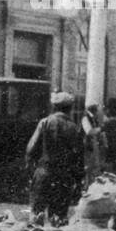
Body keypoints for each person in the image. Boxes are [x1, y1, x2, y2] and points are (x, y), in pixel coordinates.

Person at [25, 91, 84, 221]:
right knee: (59, 220)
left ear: (54, 107)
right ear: (70, 108)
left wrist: (32, 172)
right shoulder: (74, 128)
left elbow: (31, 149)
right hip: (64, 178)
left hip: (43, 173)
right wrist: (78, 181)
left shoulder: (44, 123)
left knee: (36, 218)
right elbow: (79, 157)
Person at [81, 103, 105, 184]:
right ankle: (86, 184)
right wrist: (101, 129)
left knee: (94, 165)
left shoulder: (94, 118)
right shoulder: (85, 118)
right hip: (87, 145)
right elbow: (89, 131)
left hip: (94, 144)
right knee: (88, 166)